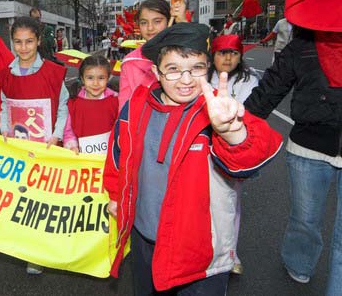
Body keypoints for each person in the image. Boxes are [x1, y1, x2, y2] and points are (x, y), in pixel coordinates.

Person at [104, 23, 283, 295]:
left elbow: (248, 160)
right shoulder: (136, 105)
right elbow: (118, 154)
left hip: (199, 253)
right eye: (173, 69)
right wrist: (116, 196)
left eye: (196, 68)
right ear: (156, 72)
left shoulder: (215, 113)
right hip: (145, 239)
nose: (186, 80)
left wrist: (232, 132)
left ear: (208, 68)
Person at [244, 28, 342, 294]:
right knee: (305, 221)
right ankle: (299, 265)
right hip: (308, 147)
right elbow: (270, 90)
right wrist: (236, 127)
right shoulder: (302, 45)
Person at [0, 16, 69, 274]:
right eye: (18, 42)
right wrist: (4, 128)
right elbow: (5, 105)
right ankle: (31, 250)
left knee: (44, 199)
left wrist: (56, 135)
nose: (24, 47)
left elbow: (63, 109)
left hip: (47, 146)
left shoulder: (53, 72)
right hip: (20, 147)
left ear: (38, 41)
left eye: (29, 41)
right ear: (12, 42)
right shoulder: (6, 74)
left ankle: (43, 249)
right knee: (24, 198)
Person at [208, 34, 260, 275]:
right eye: (221, 52)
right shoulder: (203, 77)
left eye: (233, 53)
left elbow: (252, 115)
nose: (227, 58)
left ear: (240, 56)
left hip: (232, 150)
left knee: (231, 203)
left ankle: (230, 253)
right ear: (213, 55)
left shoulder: (249, 81)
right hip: (204, 149)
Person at [118, 0, 186, 108]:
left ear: (170, 20)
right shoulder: (130, 62)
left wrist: (183, 22)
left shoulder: (184, 54)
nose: (150, 28)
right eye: (144, 23)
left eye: (157, 21)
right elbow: (124, 106)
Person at [63, 55, 118, 155]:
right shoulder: (74, 104)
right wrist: (72, 147)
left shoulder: (116, 102)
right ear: (82, 79)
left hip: (109, 160)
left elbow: (121, 131)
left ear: (108, 78)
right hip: (83, 160)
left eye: (101, 78)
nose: (95, 83)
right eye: (90, 78)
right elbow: (69, 131)